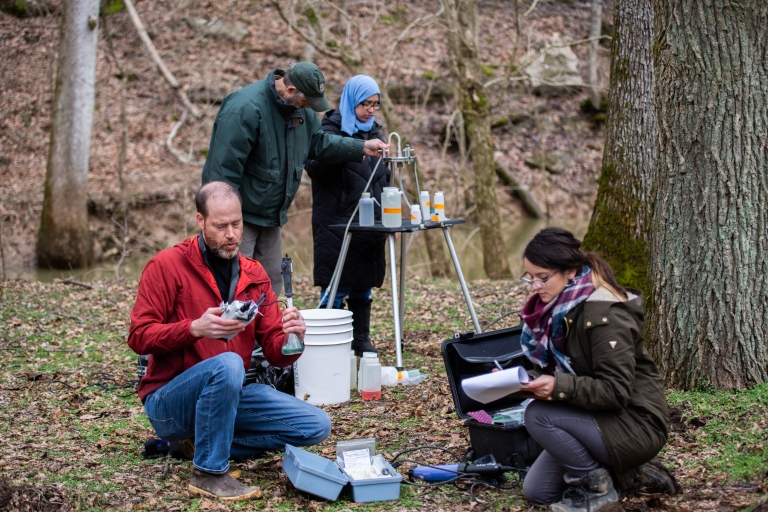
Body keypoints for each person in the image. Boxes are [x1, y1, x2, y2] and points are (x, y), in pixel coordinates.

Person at [127, 181, 331, 501]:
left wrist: (295, 337)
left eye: (237, 224)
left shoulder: (255, 274)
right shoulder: (166, 266)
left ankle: (194, 446)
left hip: (229, 398)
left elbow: (277, 353)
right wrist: (193, 328)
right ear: (200, 221)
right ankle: (208, 472)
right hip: (169, 402)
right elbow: (138, 337)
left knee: (316, 425)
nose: (232, 235)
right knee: (229, 363)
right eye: (221, 226)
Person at [515, 227, 675, 511]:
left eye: (543, 277)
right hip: (594, 414)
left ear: (570, 272)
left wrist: (556, 387)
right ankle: (623, 474)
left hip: (635, 423)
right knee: (538, 492)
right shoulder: (557, 312)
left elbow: (616, 391)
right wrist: (519, 380)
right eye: (530, 277)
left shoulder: (603, 314)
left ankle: (597, 489)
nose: (535, 286)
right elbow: (568, 371)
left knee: (538, 415)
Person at [201, 62, 389, 296]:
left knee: (269, 284)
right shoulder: (244, 109)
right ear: (291, 91)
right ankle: (229, 331)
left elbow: (319, 144)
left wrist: (360, 147)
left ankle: (265, 332)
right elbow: (222, 172)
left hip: (271, 214)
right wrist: (225, 222)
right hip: (238, 216)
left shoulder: (301, 109)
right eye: (306, 101)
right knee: (233, 283)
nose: (310, 106)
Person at [305, 75, 388, 355]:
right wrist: (349, 150)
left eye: (375, 105)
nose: (370, 110)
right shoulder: (327, 129)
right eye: (365, 103)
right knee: (335, 288)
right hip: (336, 223)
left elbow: (383, 181)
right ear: (351, 100)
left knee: (363, 286)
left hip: (370, 225)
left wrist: (387, 219)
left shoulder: (376, 132)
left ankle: (360, 340)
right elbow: (315, 167)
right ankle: (327, 344)